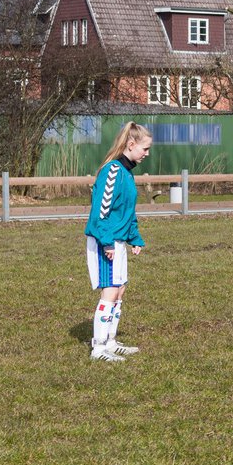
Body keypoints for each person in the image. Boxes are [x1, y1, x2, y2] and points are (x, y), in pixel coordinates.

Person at [85, 121, 151, 362]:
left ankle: (111, 342)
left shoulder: (127, 174)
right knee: (110, 291)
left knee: (120, 289)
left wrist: (135, 237)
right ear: (131, 144)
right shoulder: (112, 171)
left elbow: (127, 211)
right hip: (107, 241)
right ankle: (99, 348)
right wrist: (107, 242)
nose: (147, 154)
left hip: (119, 241)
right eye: (144, 148)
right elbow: (100, 213)